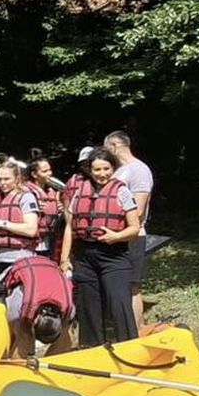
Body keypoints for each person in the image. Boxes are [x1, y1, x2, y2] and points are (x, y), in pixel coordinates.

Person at [60, 147, 140, 348]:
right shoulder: (79, 193)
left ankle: (129, 348)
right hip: (84, 256)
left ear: (113, 168)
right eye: (97, 169)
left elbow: (134, 229)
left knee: (119, 304)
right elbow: (70, 227)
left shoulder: (121, 191)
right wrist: (64, 259)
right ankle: (91, 348)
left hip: (114, 256)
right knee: (88, 308)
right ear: (90, 170)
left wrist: (116, 236)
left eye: (106, 168)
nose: (102, 174)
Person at [105, 131, 154, 329]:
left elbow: (139, 209)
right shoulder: (119, 171)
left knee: (132, 286)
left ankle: (136, 330)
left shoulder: (139, 170)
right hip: (114, 236)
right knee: (118, 286)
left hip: (132, 235)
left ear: (115, 146)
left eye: (106, 149)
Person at [2, 255, 75, 358]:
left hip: (49, 269)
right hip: (25, 268)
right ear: (35, 320)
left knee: (65, 336)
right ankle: (20, 364)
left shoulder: (69, 309)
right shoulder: (19, 303)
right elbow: (12, 332)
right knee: (22, 333)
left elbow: (68, 336)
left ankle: (53, 361)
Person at [0, 161, 40, 281]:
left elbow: (31, 229)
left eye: (7, 179)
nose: (2, 183)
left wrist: (1, 223)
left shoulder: (26, 197)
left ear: (17, 178)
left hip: (21, 258)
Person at [27, 155, 62, 257]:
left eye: (49, 170)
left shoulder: (52, 192)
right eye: (44, 171)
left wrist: (60, 209)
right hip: (31, 244)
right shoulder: (25, 192)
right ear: (34, 174)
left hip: (48, 241)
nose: (49, 174)